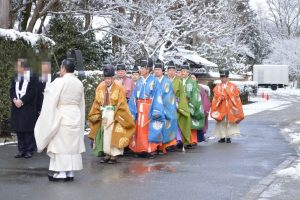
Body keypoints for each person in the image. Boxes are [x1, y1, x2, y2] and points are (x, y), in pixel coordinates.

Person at [34, 59, 86, 181]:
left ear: (63, 68)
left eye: (61, 68)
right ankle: (70, 172)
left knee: (61, 145)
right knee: (72, 145)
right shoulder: (79, 83)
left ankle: (61, 171)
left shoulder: (60, 81)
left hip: (62, 115)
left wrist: (47, 92)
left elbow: (51, 98)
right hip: (75, 115)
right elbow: (81, 103)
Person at [87, 63, 135, 164]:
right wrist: (96, 112)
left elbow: (122, 102)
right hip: (104, 113)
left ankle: (114, 155)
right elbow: (96, 101)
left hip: (115, 113)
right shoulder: (101, 87)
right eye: (106, 78)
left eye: (109, 78)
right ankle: (106, 154)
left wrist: (117, 113)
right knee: (105, 133)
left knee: (114, 133)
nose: (107, 80)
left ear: (113, 78)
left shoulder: (119, 87)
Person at [128, 58, 164, 158]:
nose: (140, 70)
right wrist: (132, 109)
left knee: (148, 129)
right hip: (139, 107)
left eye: (143, 68)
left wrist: (156, 110)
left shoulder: (154, 81)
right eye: (141, 68)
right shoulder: (138, 81)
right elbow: (133, 96)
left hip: (150, 107)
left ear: (148, 69)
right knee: (138, 129)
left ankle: (149, 149)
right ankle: (139, 149)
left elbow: (158, 96)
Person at [10, 59, 38, 159]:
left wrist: (21, 101)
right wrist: (14, 99)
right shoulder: (16, 77)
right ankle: (21, 150)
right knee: (19, 130)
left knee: (28, 130)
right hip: (16, 106)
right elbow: (12, 89)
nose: (16, 68)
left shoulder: (33, 77)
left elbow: (32, 92)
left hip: (27, 107)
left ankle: (29, 150)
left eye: (18, 66)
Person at [211, 69, 244, 143]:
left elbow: (236, 95)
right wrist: (221, 96)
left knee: (229, 121)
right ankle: (222, 136)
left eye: (225, 77)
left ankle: (228, 137)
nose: (223, 79)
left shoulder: (233, 86)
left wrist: (228, 93)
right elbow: (215, 95)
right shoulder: (218, 86)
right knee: (221, 122)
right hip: (221, 106)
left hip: (230, 106)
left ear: (228, 78)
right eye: (222, 77)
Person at [153, 59, 177, 153]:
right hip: (154, 107)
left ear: (162, 71)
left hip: (165, 106)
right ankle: (156, 146)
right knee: (155, 126)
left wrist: (161, 105)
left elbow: (169, 96)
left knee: (166, 124)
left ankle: (165, 145)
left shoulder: (167, 82)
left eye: (158, 69)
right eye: (155, 69)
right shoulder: (152, 80)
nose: (156, 71)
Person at [167, 61, 191, 150]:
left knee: (175, 122)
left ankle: (176, 141)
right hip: (165, 105)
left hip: (175, 104)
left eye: (173, 70)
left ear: (176, 72)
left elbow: (182, 95)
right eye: (170, 70)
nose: (171, 72)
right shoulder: (164, 80)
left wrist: (180, 105)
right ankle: (167, 142)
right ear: (167, 71)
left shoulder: (179, 82)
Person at [181, 62, 205, 147]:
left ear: (188, 73)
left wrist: (190, 103)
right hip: (181, 105)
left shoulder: (192, 82)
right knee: (182, 123)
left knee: (190, 123)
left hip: (189, 104)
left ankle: (192, 140)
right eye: (182, 71)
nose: (183, 73)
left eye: (185, 71)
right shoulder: (180, 81)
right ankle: (184, 140)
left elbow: (195, 94)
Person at [191, 74, 211, 142]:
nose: (192, 79)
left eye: (193, 77)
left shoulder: (200, 88)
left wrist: (204, 109)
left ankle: (198, 139)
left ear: (196, 79)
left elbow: (205, 100)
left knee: (198, 124)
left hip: (199, 108)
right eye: (190, 78)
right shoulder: (187, 87)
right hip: (190, 108)